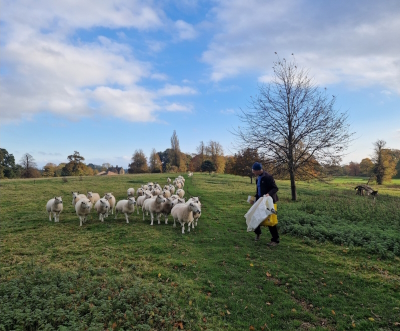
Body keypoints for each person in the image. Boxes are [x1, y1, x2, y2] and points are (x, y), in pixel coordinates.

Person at [250, 162, 280, 245]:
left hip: (268, 202)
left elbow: (275, 188)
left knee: (270, 220)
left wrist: (268, 194)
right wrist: (254, 199)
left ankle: (275, 240)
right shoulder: (258, 178)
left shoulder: (268, 177)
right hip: (260, 201)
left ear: (258, 170)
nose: (253, 172)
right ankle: (258, 233)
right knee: (255, 217)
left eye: (254, 170)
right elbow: (258, 191)